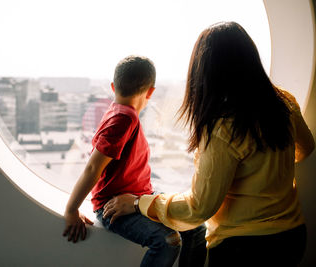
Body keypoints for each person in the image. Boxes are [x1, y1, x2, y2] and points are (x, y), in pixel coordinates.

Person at [103, 22, 315, 267]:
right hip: (292, 236)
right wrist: (266, 169)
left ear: (204, 72)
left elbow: (198, 208)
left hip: (244, 248)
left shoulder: (224, 126)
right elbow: (306, 148)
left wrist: (139, 203)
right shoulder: (283, 102)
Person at [62, 55, 207, 267]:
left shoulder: (121, 114)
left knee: (196, 227)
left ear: (113, 86)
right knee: (168, 241)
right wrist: (71, 210)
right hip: (113, 206)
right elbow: (93, 167)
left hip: (140, 197)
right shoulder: (123, 119)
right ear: (150, 92)